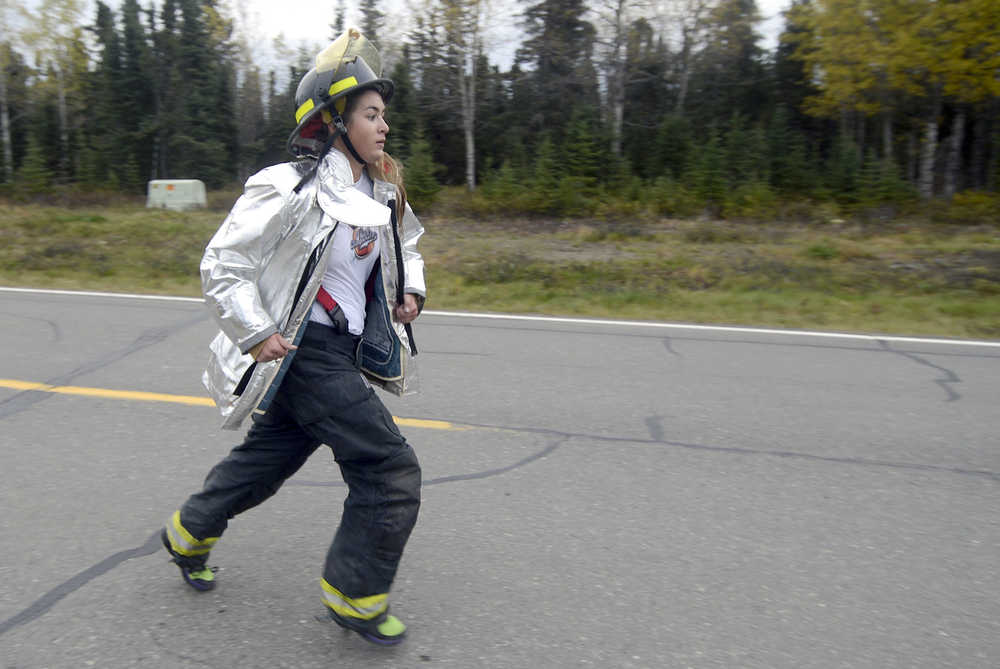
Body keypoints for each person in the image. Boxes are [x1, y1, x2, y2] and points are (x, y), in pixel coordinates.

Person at [160, 27, 425, 646]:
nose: (384, 126)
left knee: (269, 459)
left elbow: (405, 244)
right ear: (333, 120)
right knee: (388, 467)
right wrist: (254, 333)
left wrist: (409, 290)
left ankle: (187, 532)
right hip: (304, 351)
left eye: (384, 114)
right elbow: (222, 263)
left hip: (339, 353)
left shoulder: (381, 188)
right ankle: (354, 595)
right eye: (370, 114)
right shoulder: (288, 185)